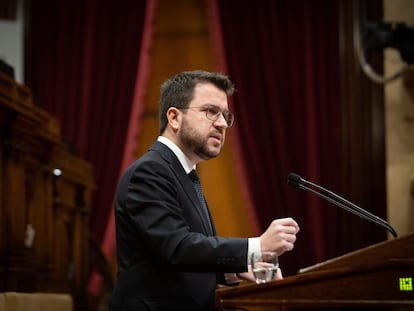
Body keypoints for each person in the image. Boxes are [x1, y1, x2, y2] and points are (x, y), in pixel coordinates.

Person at [108, 70, 300, 311]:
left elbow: (187, 260)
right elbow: (177, 248)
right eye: (210, 111)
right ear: (174, 117)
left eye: (226, 116)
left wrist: (239, 267)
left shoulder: (185, 174)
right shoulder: (148, 172)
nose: (221, 123)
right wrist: (257, 247)